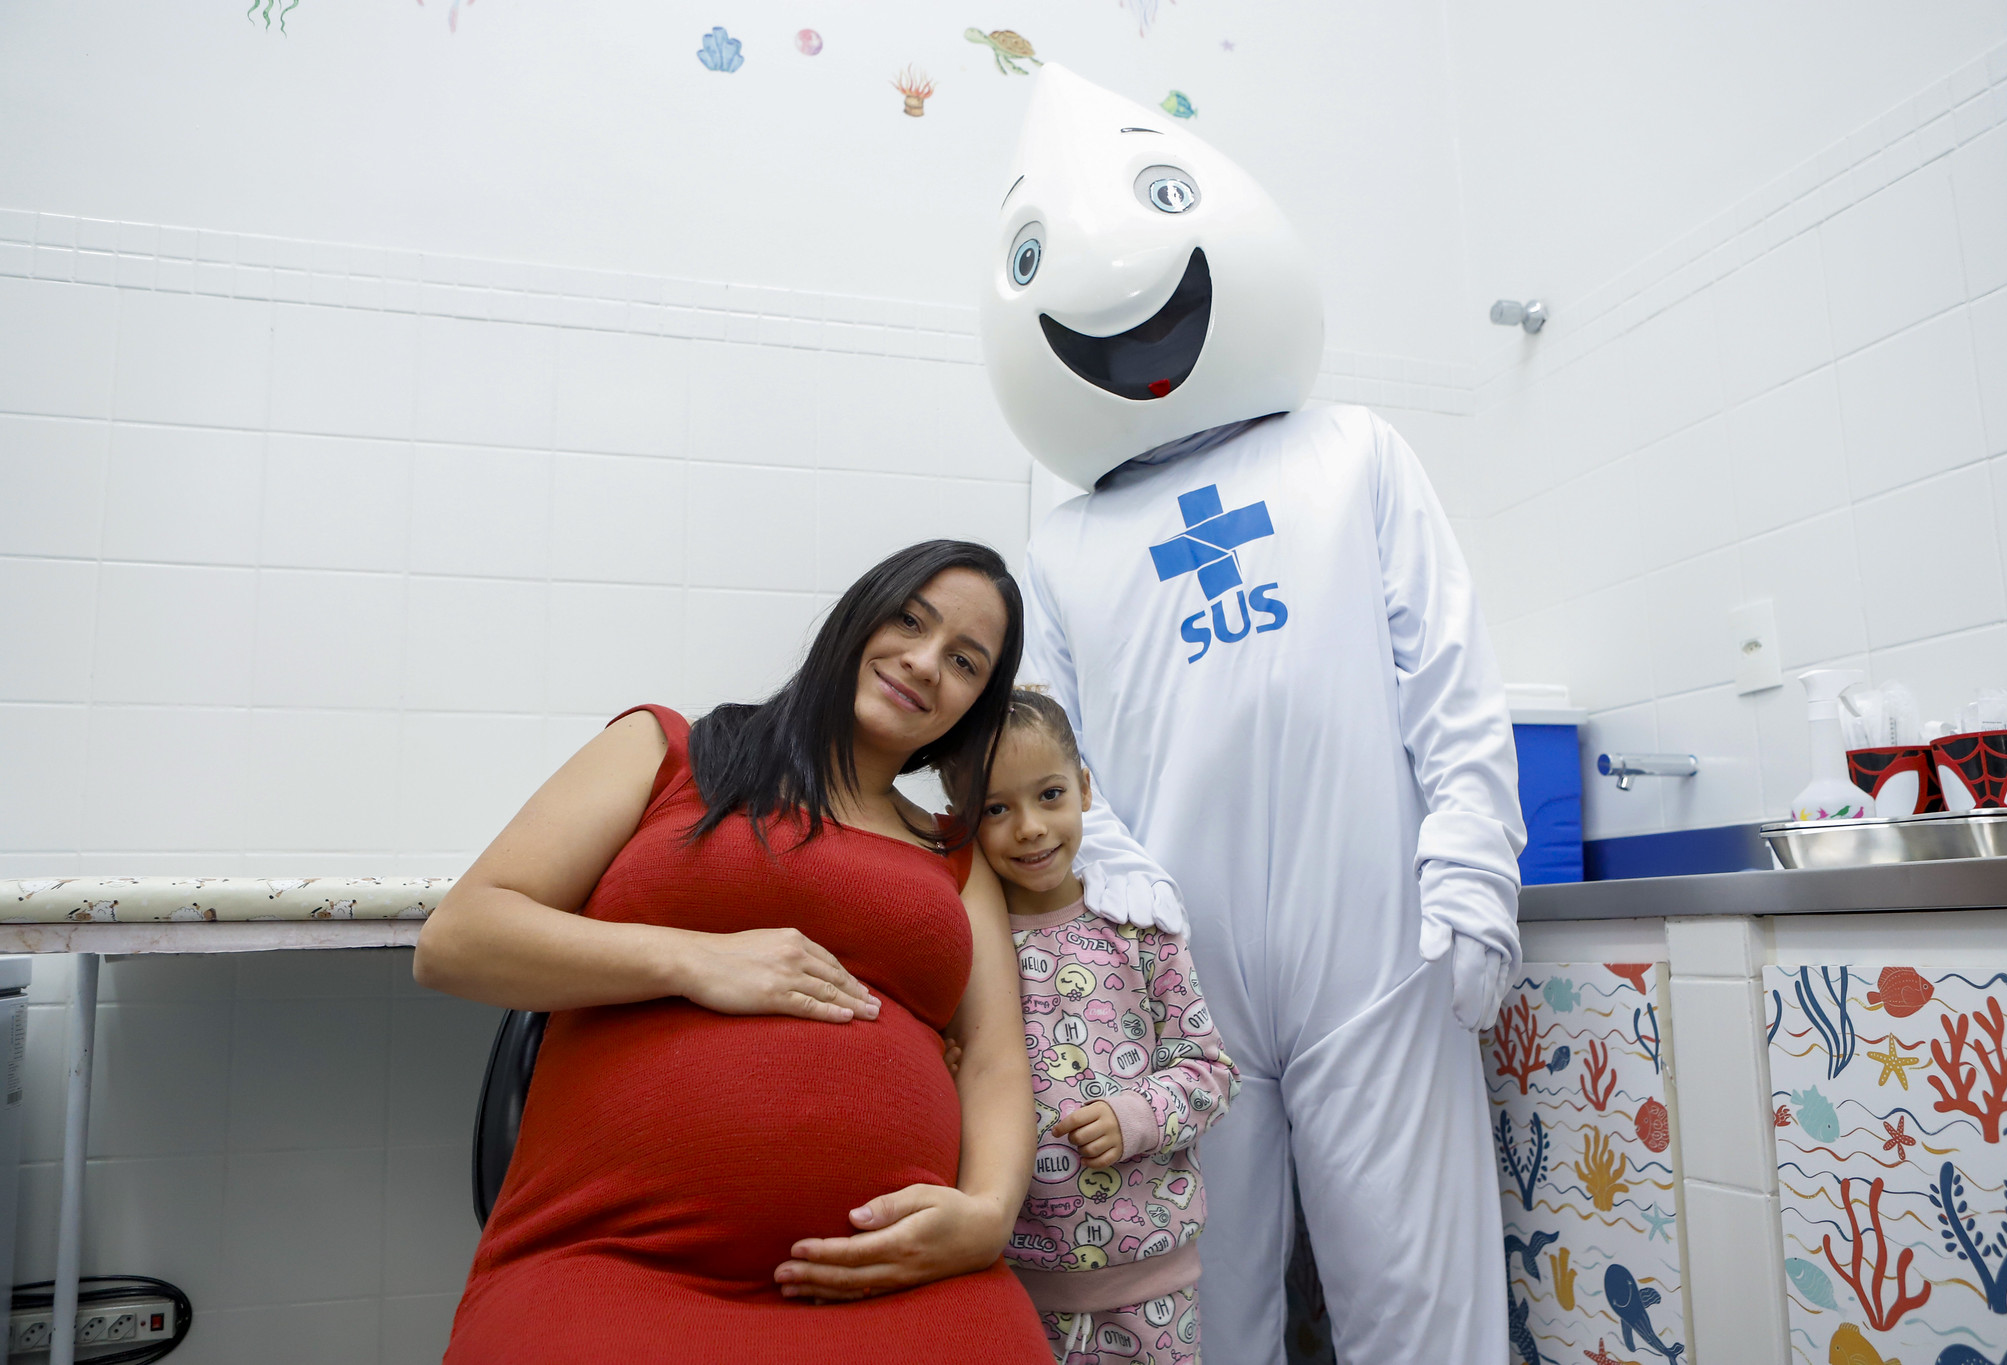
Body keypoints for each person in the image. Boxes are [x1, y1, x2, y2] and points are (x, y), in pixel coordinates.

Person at [977, 67, 1527, 1363]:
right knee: (1200, 1307)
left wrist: (1471, 865)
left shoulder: (1353, 451)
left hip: (1375, 941)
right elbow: (1054, 766)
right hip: (1177, 973)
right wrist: (1118, 933)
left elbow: (1450, 681)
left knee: (1419, 1296)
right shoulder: (1059, 545)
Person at [417, 540, 1055, 1364]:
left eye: (965, 661)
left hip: (897, 1279)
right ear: (857, 617)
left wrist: (989, 1213)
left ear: (976, 704)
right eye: (909, 620)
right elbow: (459, 938)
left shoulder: (954, 854)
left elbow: (996, 1061)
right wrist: (696, 959)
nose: (926, 662)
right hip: (615, 1262)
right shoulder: (672, 753)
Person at [941, 691, 1239, 1365]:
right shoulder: (965, 947)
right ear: (961, 819)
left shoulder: (1141, 929)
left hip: (1153, 1290)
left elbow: (1213, 1073)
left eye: (1049, 795)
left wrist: (1136, 1116)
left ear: (1083, 789)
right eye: (995, 808)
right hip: (1014, 1288)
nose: (1030, 827)